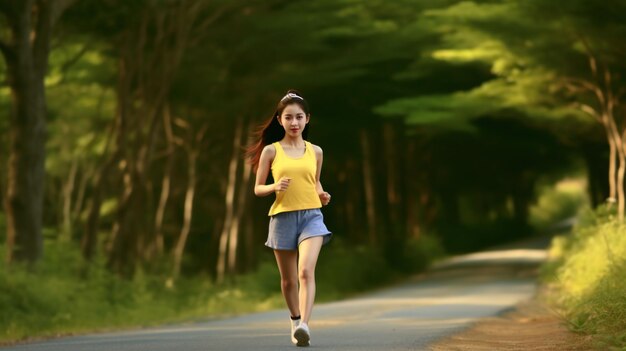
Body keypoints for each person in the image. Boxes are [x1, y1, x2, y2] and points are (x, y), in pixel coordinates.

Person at [247, 90, 332, 347]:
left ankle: (305, 324)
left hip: (311, 217)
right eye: (288, 117)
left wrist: (322, 193)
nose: (294, 123)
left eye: (299, 117)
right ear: (279, 120)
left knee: (305, 271)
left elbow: (315, 183)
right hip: (282, 218)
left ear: (307, 119)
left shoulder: (315, 151)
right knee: (288, 280)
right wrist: (274, 187)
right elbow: (258, 188)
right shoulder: (271, 152)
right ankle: (295, 321)